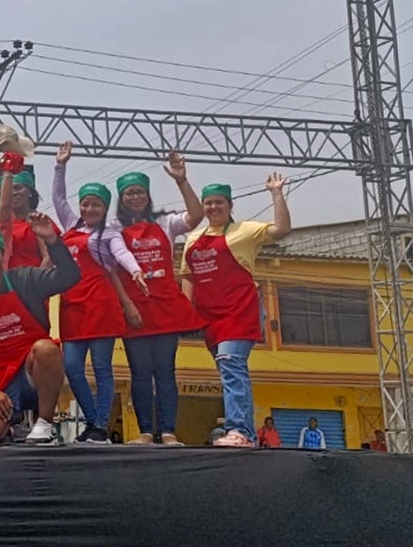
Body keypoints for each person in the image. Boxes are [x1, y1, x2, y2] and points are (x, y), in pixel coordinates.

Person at [182, 173, 292, 449]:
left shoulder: (245, 231)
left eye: (219, 202)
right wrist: (186, 312)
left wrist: (276, 193)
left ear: (230, 205)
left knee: (231, 363)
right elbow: (188, 276)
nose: (213, 207)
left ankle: (239, 429)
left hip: (240, 309)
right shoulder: (193, 239)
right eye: (208, 203)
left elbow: (281, 230)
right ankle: (247, 435)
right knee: (229, 369)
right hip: (210, 317)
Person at [0, 217, 81, 445]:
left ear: (3, 255)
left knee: (47, 349)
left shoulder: (26, 279)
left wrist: (52, 241)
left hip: (30, 374)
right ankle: (12, 423)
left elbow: (70, 276)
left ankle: (45, 424)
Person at [51, 144, 149, 444]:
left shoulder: (110, 234)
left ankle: (99, 426)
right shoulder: (71, 225)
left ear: (105, 208)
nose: (89, 209)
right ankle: (94, 421)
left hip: (101, 306)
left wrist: (135, 270)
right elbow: (57, 198)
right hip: (72, 306)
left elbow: (122, 254)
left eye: (95, 205)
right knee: (72, 368)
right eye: (85, 204)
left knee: (102, 368)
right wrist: (60, 165)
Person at [114, 153, 205, 446]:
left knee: (165, 371)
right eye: (129, 193)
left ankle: (167, 431)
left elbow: (196, 216)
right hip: (135, 310)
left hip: (165, 307)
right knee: (140, 373)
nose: (135, 197)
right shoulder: (114, 228)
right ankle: (145, 431)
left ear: (148, 195)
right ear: (121, 198)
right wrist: (126, 305)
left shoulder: (166, 222)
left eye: (140, 192)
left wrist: (182, 180)